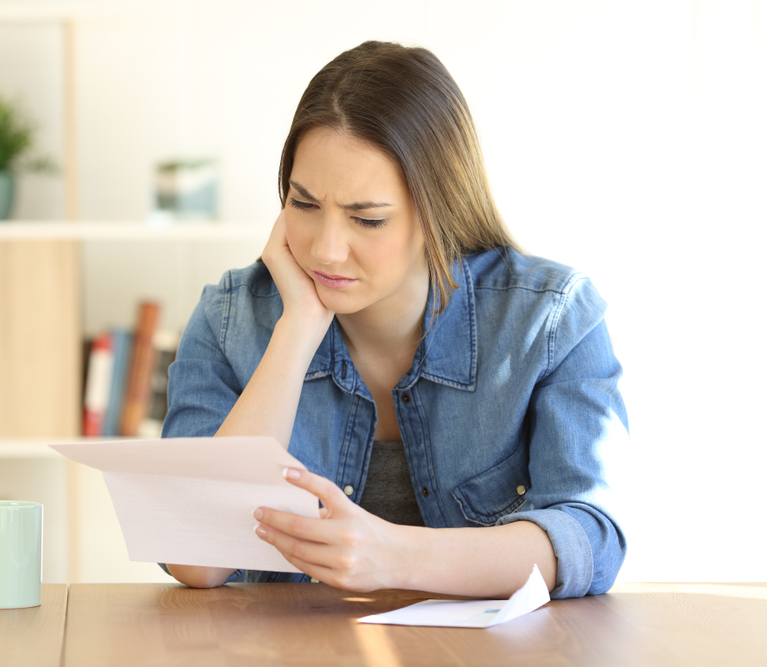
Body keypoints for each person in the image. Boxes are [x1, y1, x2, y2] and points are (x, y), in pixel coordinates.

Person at [160, 41, 628, 599]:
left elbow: (590, 539)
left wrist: (396, 557)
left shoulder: (548, 319)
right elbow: (193, 558)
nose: (327, 250)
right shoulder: (229, 318)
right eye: (304, 205)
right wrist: (297, 329)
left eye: (368, 219)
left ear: (439, 211)